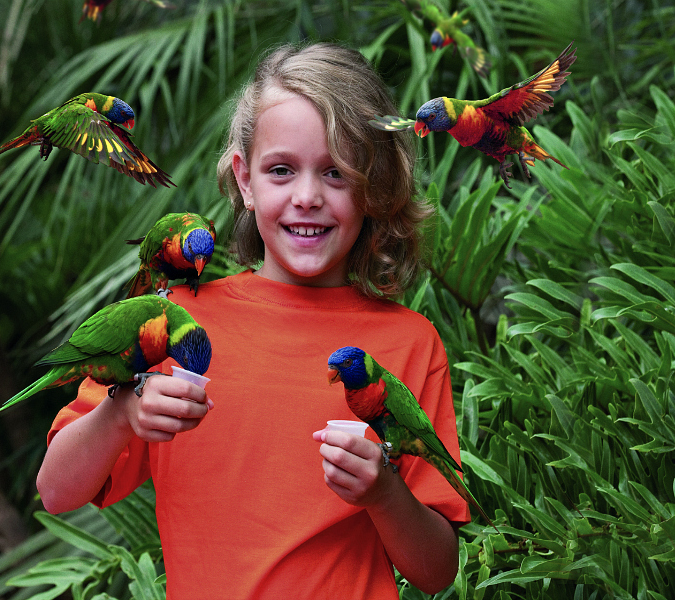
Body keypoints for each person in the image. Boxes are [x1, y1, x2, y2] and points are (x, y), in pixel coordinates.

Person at [36, 42, 469, 599]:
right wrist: (122, 412)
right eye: (282, 170)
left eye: (336, 173)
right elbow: (57, 490)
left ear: (374, 184)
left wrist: (383, 492)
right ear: (245, 179)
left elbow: (436, 571)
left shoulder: (408, 343)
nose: (307, 196)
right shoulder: (170, 323)